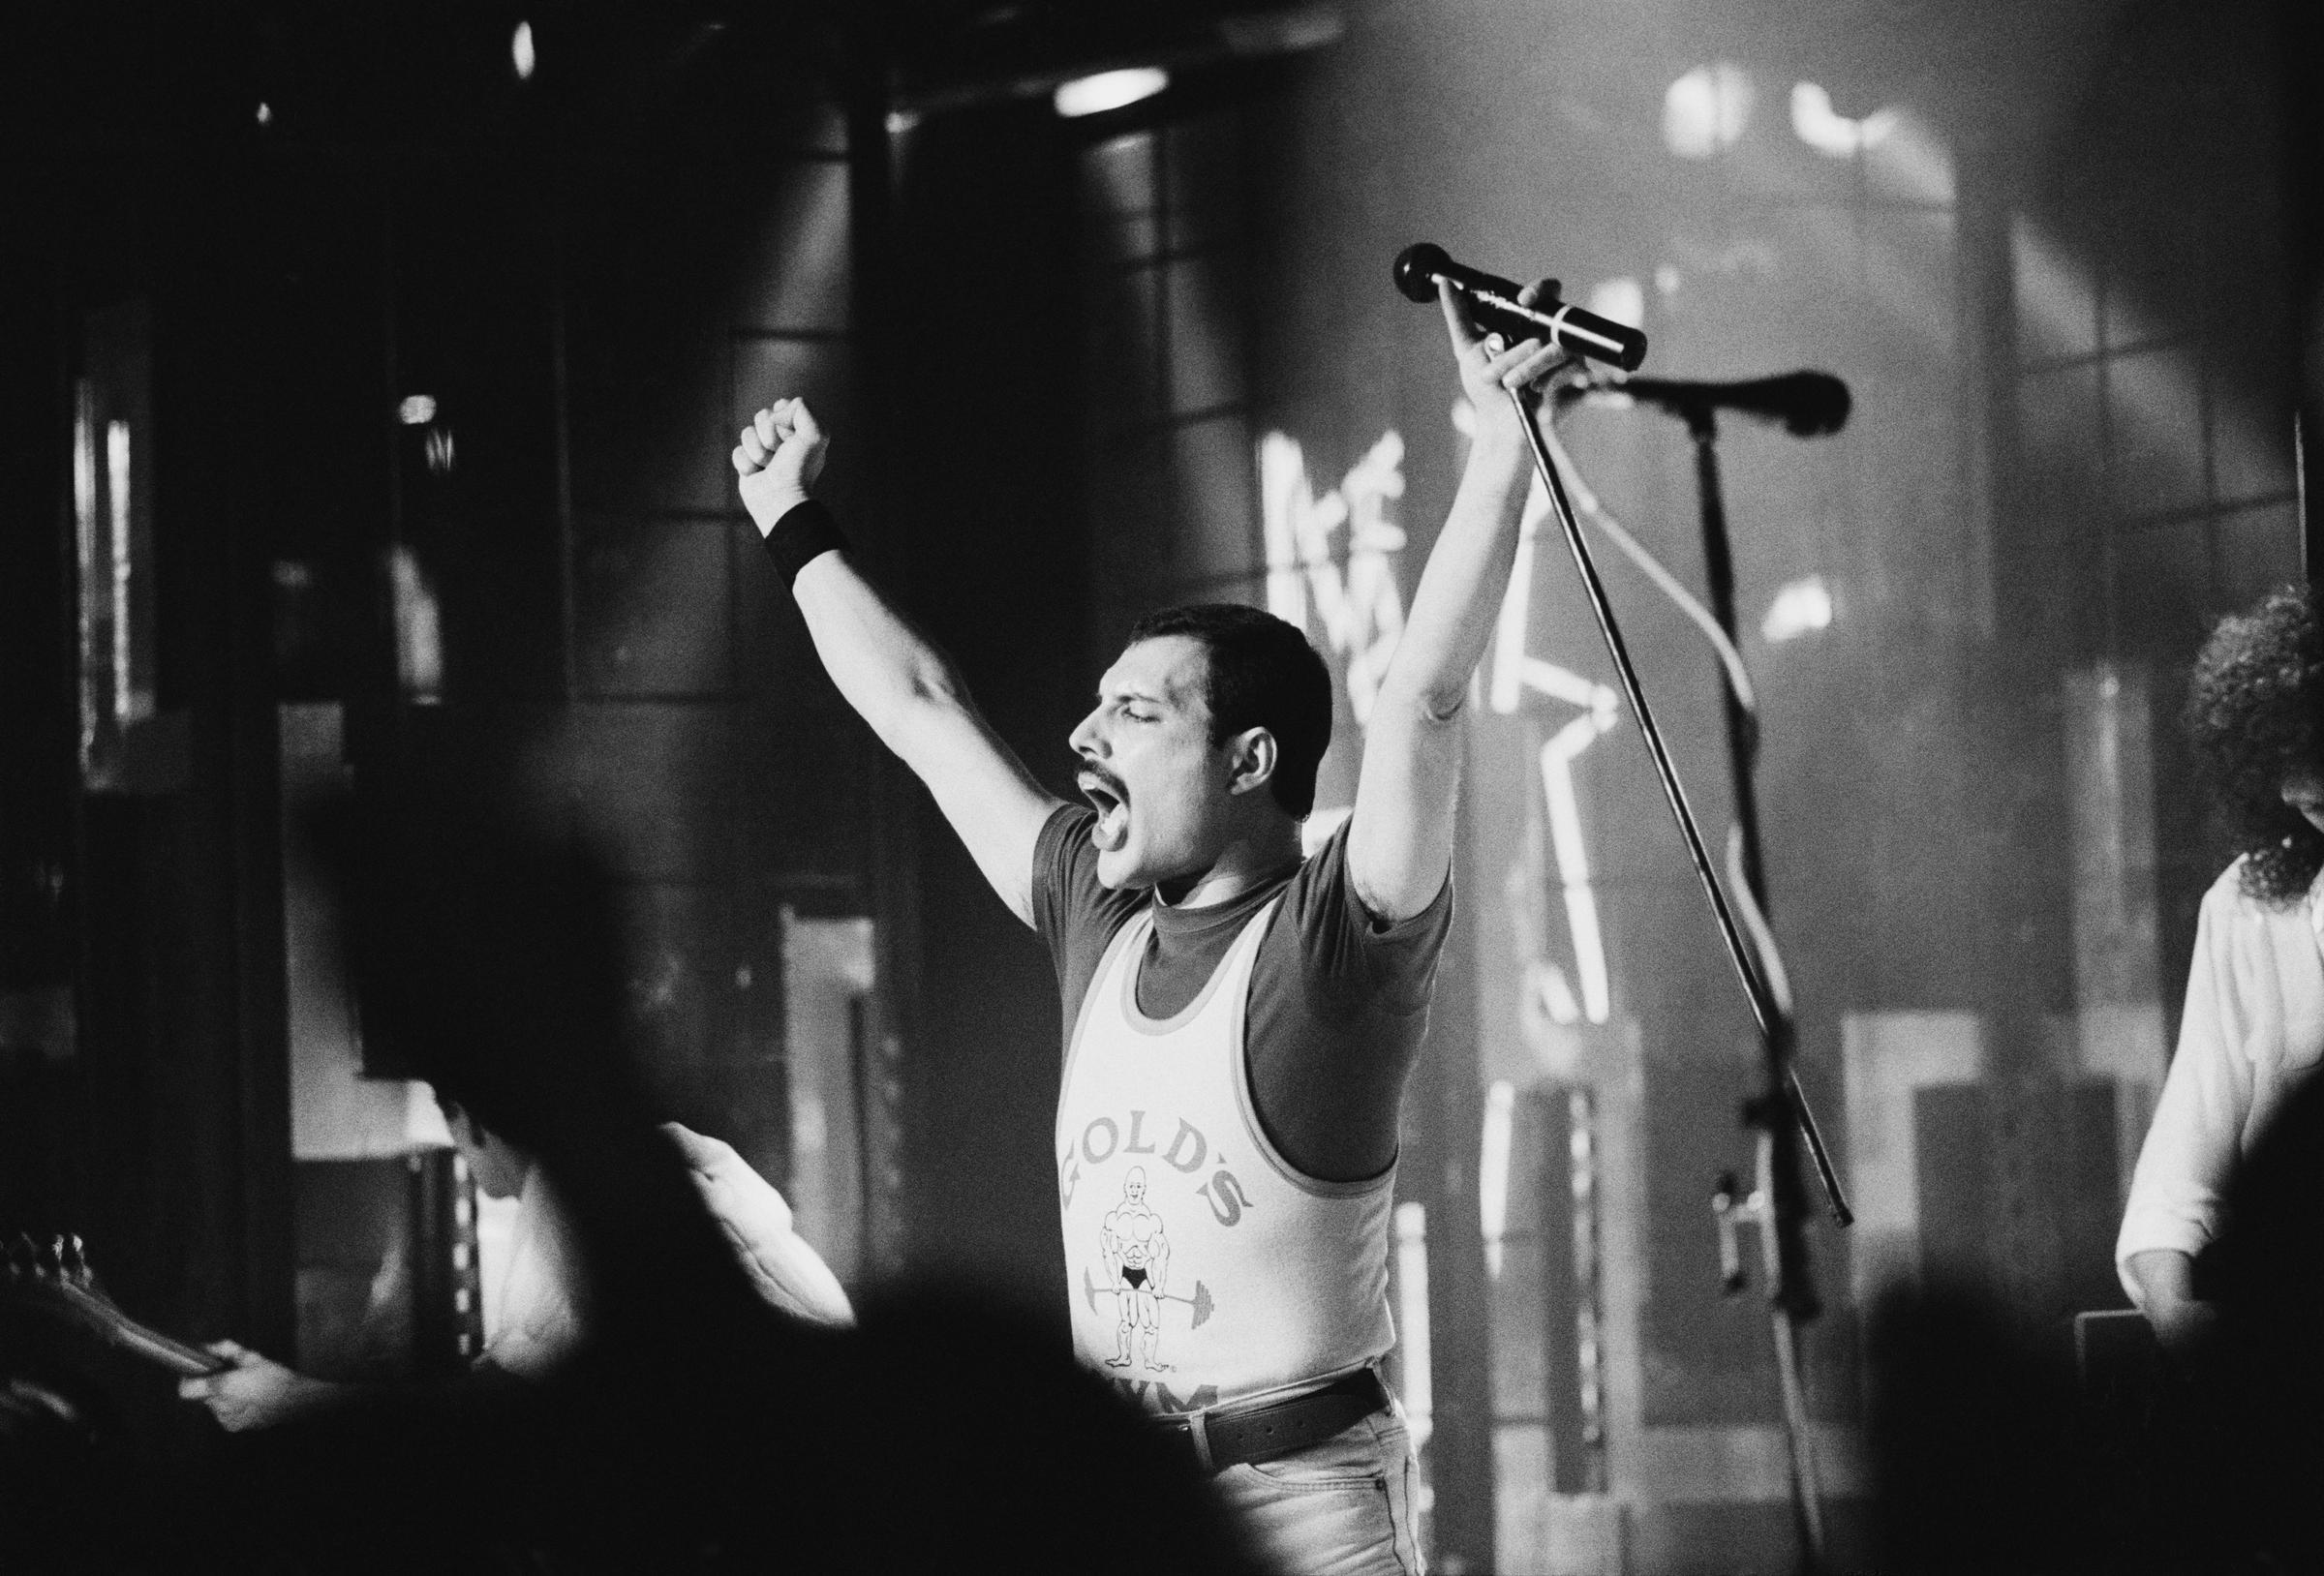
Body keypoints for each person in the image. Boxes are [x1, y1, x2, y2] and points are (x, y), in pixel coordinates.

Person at [732, 277, 1567, 1574]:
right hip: (1120, 1508)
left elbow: (1425, 701)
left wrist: (1504, 449)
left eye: (1134, 713)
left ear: (1247, 758)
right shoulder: (1094, 910)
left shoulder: (1332, 947)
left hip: (1306, 1516)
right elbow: (921, 709)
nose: (1081, 736)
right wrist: (789, 518)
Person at [179, 1097, 853, 1430]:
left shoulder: (569, 1197)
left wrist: (286, 1404)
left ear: (467, 1122)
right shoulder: (670, 1174)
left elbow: (485, 1430)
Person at [2117, 584, 2324, 1350]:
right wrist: (2174, 1314)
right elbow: (2179, 1174)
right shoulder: (2245, 906)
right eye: (2281, 764)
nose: (2299, 786)